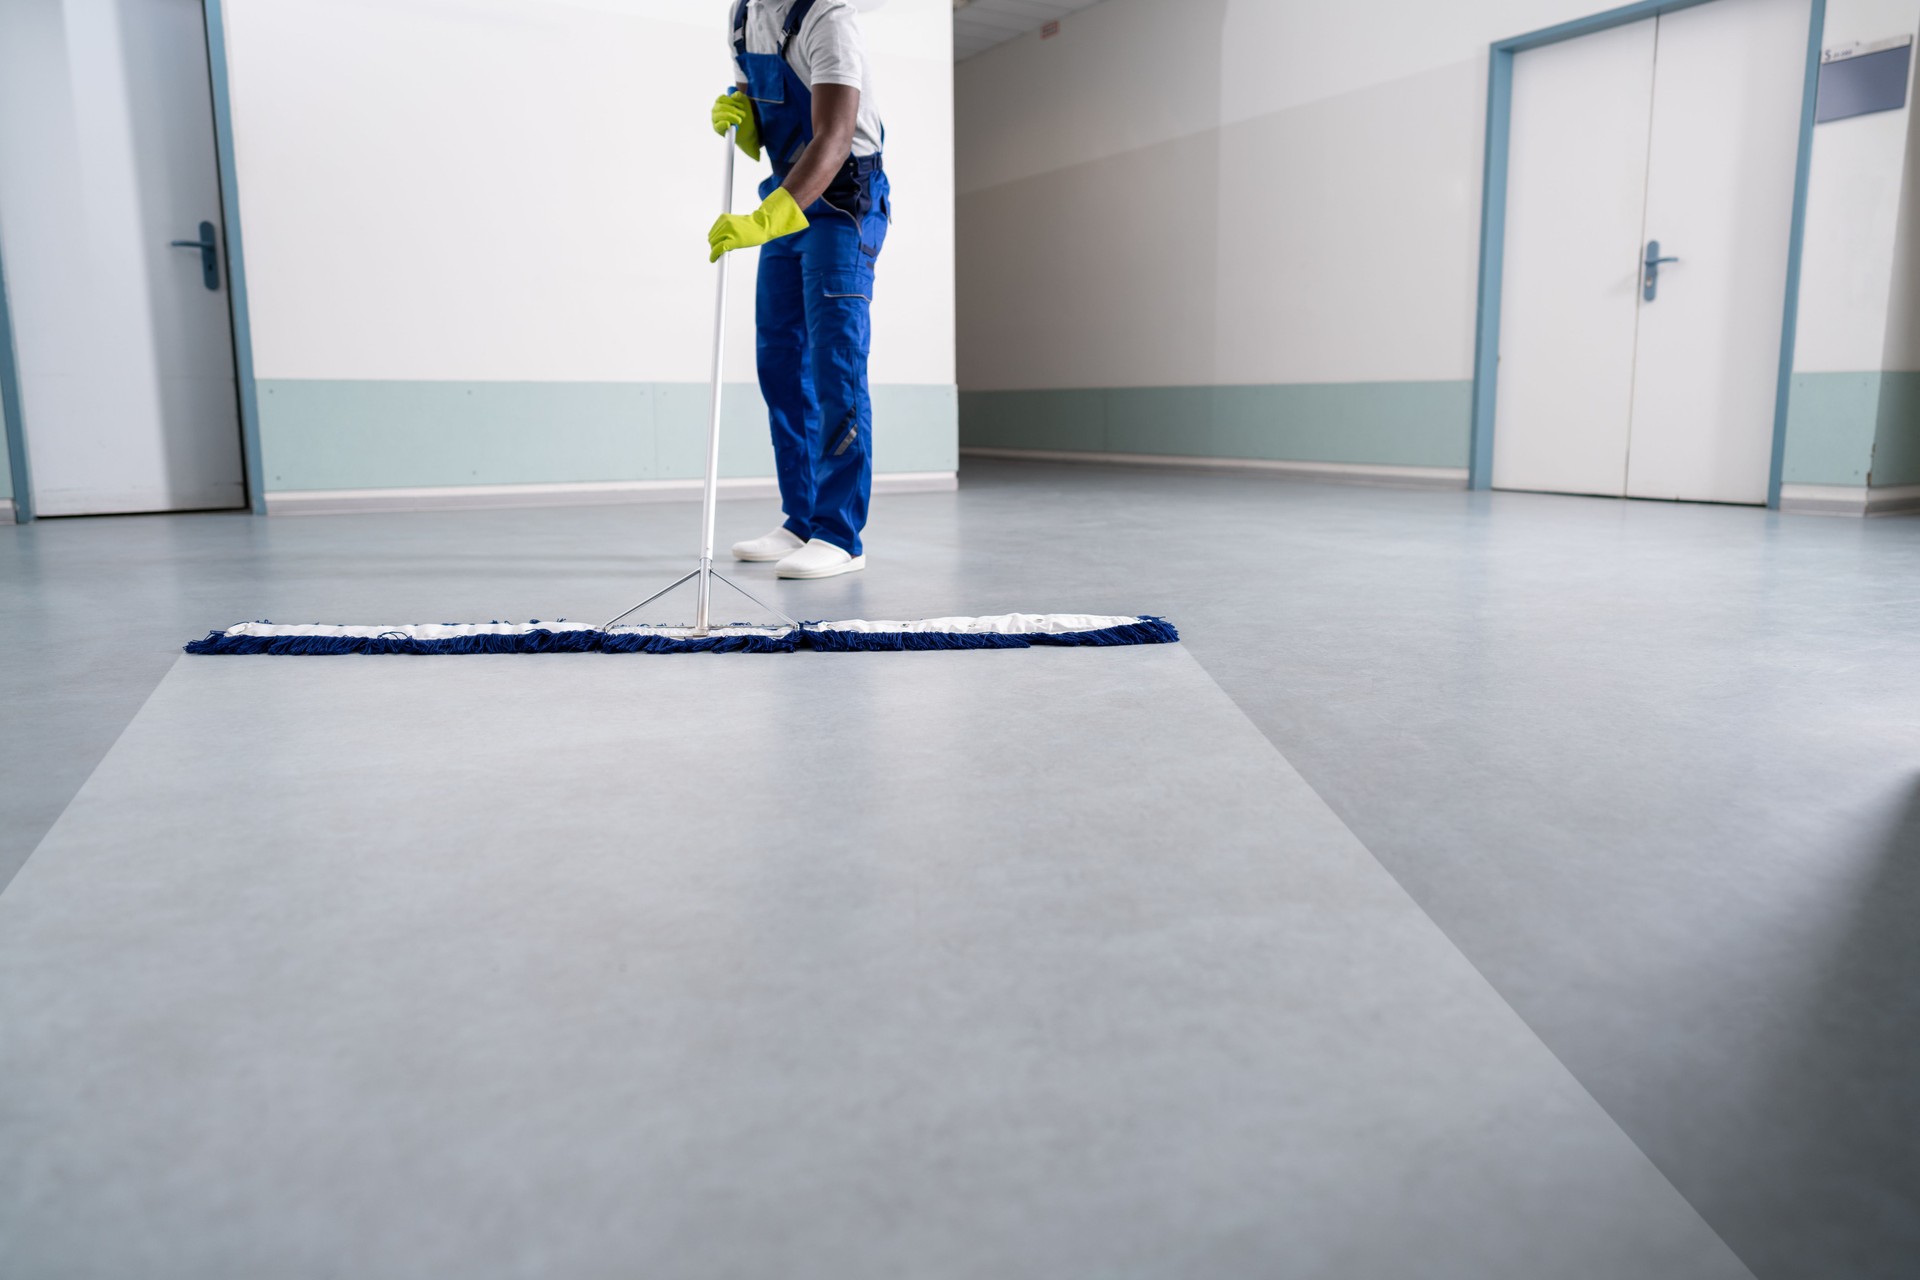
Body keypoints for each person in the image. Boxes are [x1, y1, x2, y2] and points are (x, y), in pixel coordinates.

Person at [708, 0, 889, 581]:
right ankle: (803, 517)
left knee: (834, 364)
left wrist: (763, 220)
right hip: (789, 191)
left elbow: (834, 136)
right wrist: (742, 120)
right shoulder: (742, 17)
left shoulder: (828, 18)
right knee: (781, 363)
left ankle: (840, 534)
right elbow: (772, 132)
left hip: (841, 204)